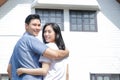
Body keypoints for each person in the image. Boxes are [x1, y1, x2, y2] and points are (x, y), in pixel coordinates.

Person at [7, 14, 69, 80]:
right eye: (34, 25)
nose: (37, 28)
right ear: (26, 26)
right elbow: (55, 54)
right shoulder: (31, 39)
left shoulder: (18, 44)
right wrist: (67, 52)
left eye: (39, 25)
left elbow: (9, 69)